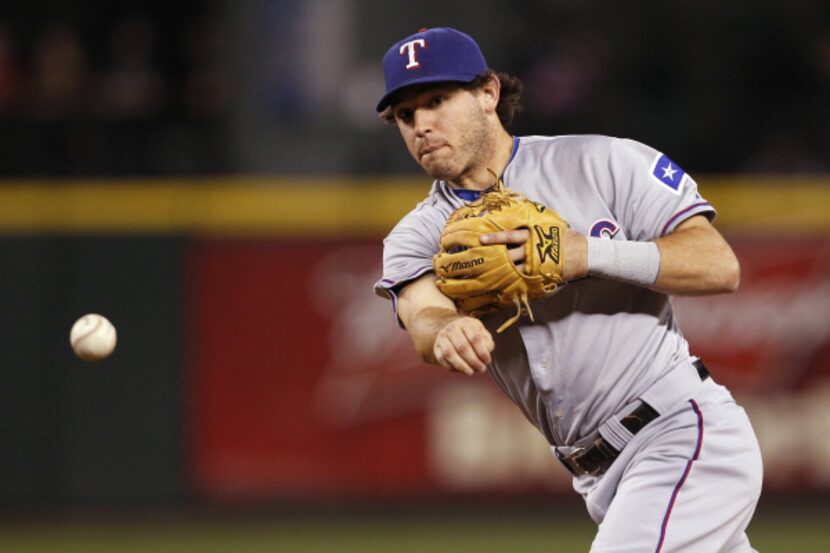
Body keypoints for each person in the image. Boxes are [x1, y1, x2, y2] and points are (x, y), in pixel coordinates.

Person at [373, 27, 763, 553]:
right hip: (598, 479)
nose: (421, 124)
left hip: (681, 435)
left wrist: (588, 254)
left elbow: (719, 265)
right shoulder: (417, 234)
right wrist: (444, 327)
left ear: (488, 93)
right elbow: (423, 313)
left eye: (437, 100)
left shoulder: (600, 163)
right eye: (405, 114)